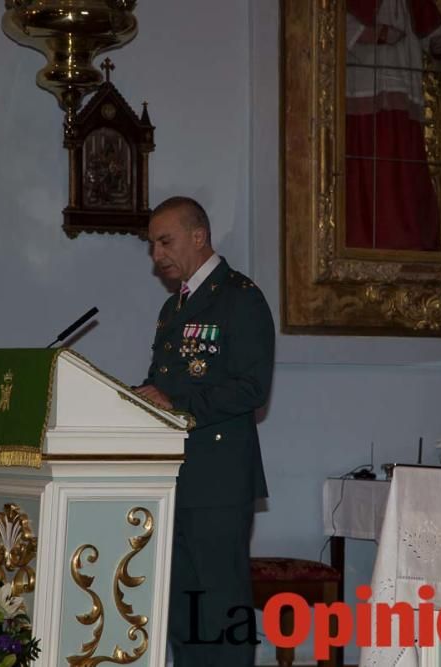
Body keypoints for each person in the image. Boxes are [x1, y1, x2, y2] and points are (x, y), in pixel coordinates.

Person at [134, 196, 274, 667]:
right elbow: (165, 384)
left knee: (220, 611)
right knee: (183, 613)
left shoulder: (240, 297)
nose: (157, 255)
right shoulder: (174, 309)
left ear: (199, 236)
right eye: (153, 245)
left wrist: (178, 405)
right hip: (174, 478)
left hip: (217, 480)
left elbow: (253, 387)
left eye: (165, 241)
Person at [345, 0, 441, 250]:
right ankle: (365, 235)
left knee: (402, 158)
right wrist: (375, 34)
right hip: (363, 82)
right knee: (369, 158)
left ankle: (407, 234)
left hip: (403, 82)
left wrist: (438, 44)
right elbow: (334, 27)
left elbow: (433, 29)